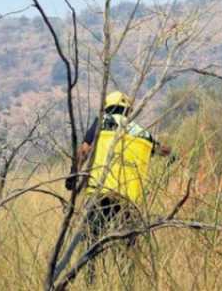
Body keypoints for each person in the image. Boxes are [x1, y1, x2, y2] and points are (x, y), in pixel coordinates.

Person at [63, 91, 173, 281]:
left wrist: (72, 177)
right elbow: (164, 151)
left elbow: (84, 151)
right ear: (128, 110)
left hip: (101, 194)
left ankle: (91, 281)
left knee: (91, 242)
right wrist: (173, 156)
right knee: (128, 248)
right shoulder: (140, 132)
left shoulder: (102, 122)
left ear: (107, 107)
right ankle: (126, 282)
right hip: (129, 200)